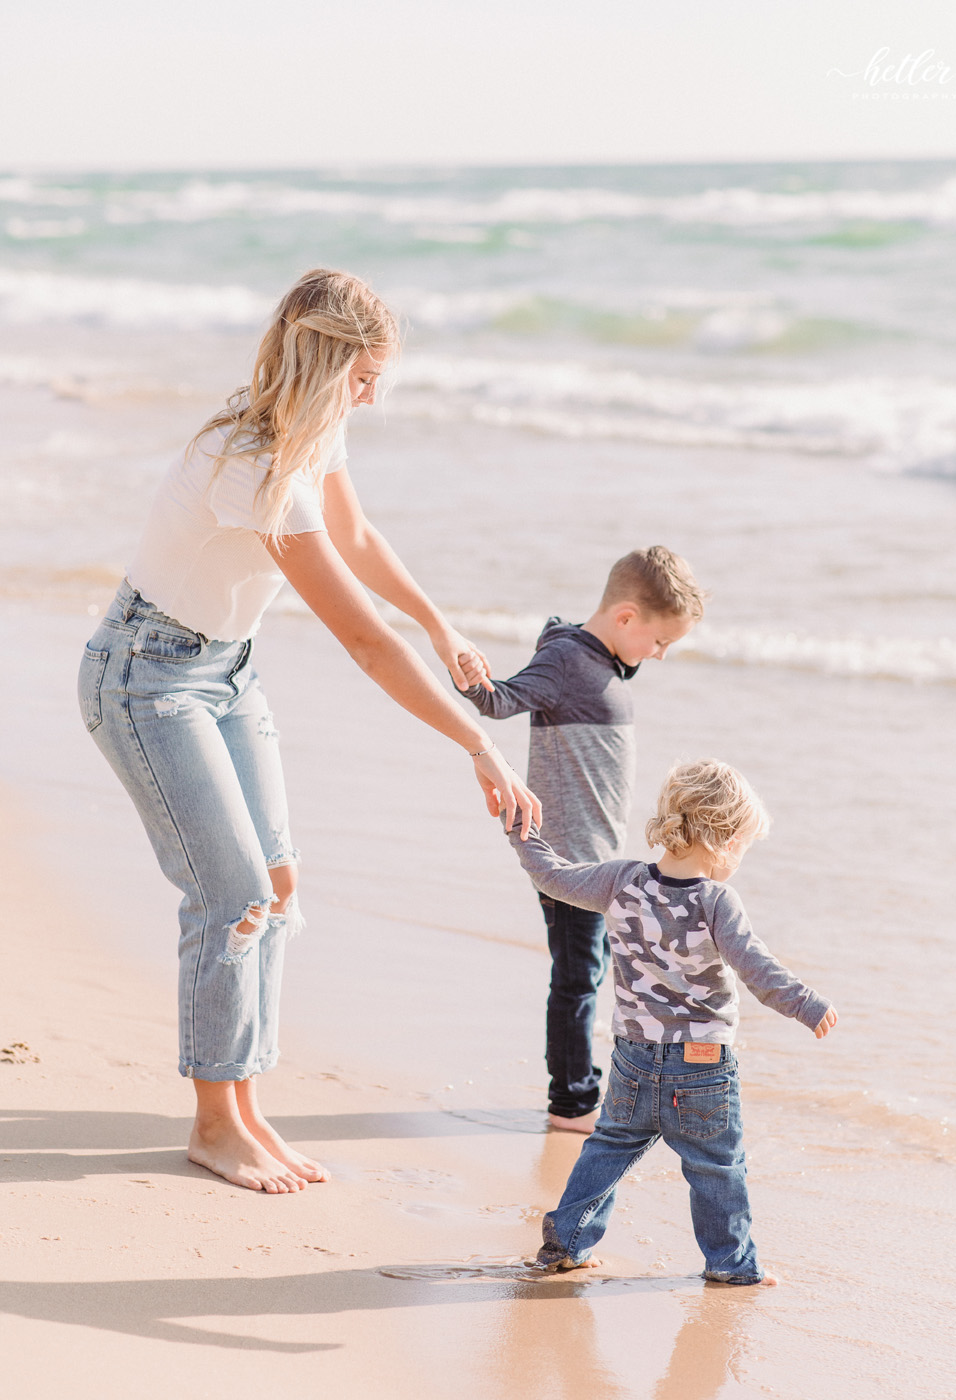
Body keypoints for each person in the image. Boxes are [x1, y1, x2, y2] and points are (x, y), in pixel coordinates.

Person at [77, 268, 539, 1196]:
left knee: (278, 885)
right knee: (233, 893)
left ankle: (245, 1103)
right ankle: (215, 1125)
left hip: (226, 669)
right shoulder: (252, 462)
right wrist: (478, 746)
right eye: (364, 377)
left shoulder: (309, 429)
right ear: (327, 365)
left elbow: (359, 539)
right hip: (146, 678)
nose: (375, 395)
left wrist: (442, 623)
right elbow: (365, 642)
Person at [502, 758, 838, 1283]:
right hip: (703, 1068)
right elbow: (756, 967)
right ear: (723, 839)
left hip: (633, 1059)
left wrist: (520, 828)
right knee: (716, 1168)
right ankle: (730, 1266)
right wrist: (806, 1004)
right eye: (743, 847)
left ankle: (566, 1244)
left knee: (608, 1149)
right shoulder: (716, 900)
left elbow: (552, 876)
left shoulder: (621, 880)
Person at [458, 547, 704, 1131]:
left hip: (598, 857)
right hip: (569, 861)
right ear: (624, 619)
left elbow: (628, 633)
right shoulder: (568, 660)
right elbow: (499, 700)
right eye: (660, 641)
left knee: (590, 968)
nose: (660, 655)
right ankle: (571, 1101)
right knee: (576, 979)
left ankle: (588, 1087)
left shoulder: (606, 662)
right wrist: (467, 673)